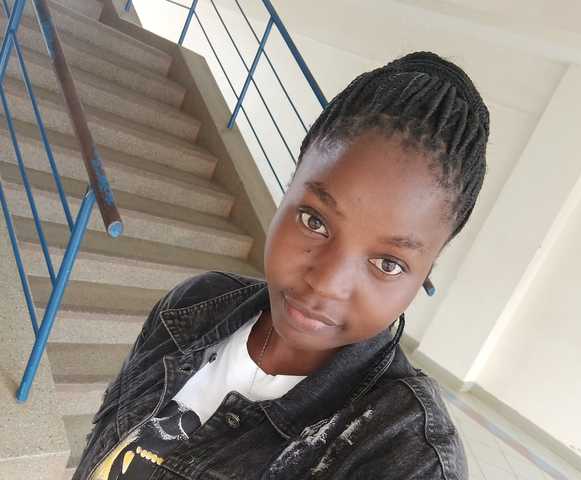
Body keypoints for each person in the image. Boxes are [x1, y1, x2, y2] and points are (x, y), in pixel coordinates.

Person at [74, 50, 490, 479]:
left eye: (388, 263)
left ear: (426, 274)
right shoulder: (194, 307)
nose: (326, 283)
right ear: (287, 190)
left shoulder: (407, 457)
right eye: (315, 221)